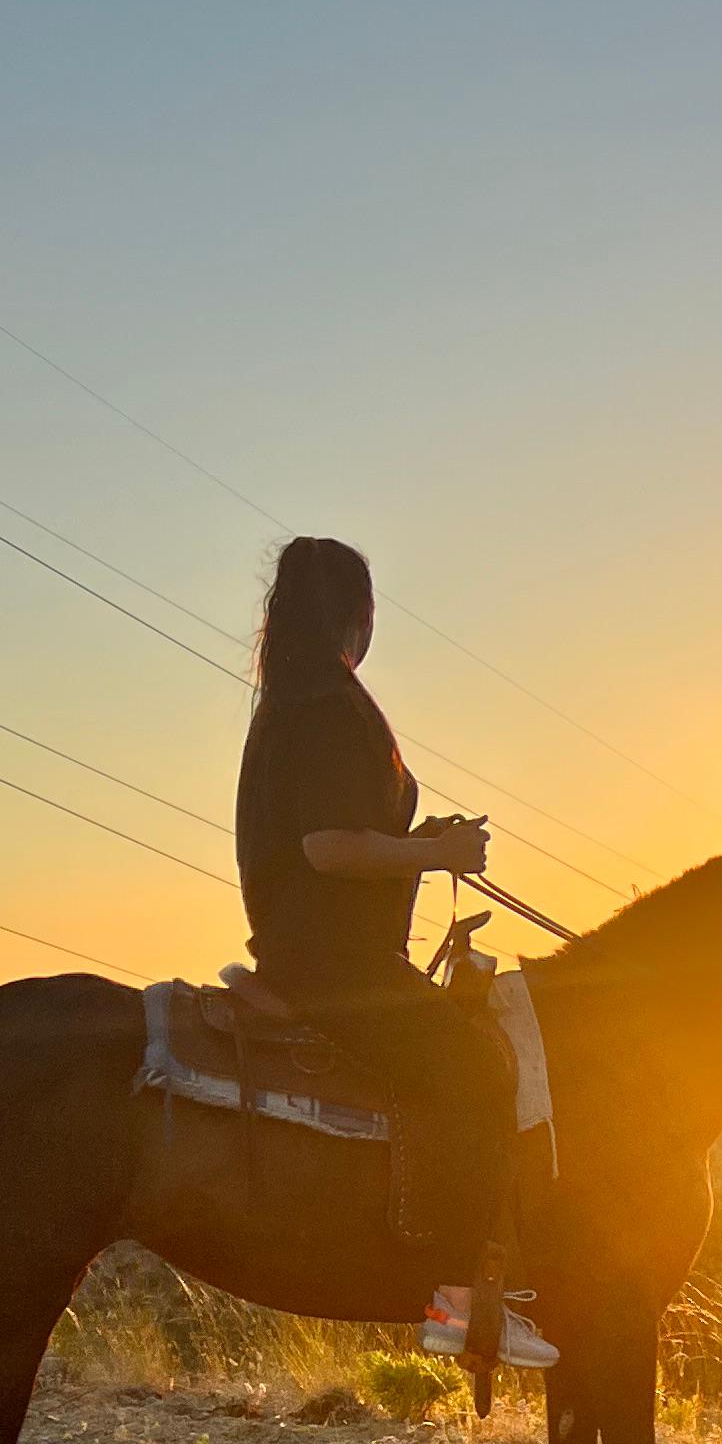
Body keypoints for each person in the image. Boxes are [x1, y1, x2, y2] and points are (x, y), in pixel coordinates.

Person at [233, 535, 549, 1367]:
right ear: (355, 616)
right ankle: (458, 1301)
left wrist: (417, 841)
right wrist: (434, 854)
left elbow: (342, 840)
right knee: (479, 1070)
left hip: (308, 952)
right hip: (338, 967)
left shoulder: (286, 702)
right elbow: (327, 848)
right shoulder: (332, 705)